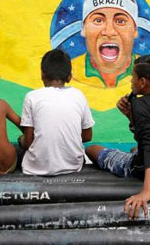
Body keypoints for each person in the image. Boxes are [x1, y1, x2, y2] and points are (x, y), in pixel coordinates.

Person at [86, 54, 150, 220]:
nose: (131, 82)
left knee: (92, 149)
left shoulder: (140, 104)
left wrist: (146, 192)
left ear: (143, 82)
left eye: (133, 78)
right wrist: (130, 117)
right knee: (136, 148)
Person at [18, 48, 95, 176]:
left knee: (18, 147)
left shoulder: (32, 96)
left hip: (35, 168)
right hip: (73, 166)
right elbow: (87, 136)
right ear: (69, 76)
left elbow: (28, 142)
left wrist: (21, 140)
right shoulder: (78, 95)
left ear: (42, 74)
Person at [79, 0, 139, 88]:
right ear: (84, 28)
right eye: (98, 20)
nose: (109, 32)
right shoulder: (69, 72)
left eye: (120, 21)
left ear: (135, 30)